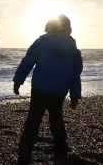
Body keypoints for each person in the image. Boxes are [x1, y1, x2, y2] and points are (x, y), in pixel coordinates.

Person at [13, 15, 83, 164]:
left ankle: (25, 152)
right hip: (59, 91)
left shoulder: (41, 42)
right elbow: (75, 73)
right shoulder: (72, 47)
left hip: (39, 88)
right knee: (56, 119)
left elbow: (27, 62)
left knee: (33, 119)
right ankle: (61, 151)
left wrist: (18, 80)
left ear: (48, 27)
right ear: (68, 28)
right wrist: (75, 94)